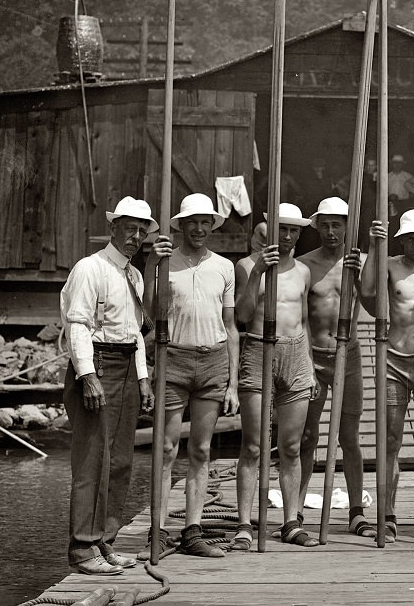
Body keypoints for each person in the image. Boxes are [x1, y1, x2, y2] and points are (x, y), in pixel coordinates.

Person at [60, 196, 156, 575]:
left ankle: (105, 541)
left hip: (127, 367)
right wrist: (87, 376)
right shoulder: (90, 269)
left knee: (120, 462)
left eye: (141, 231)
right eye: (129, 228)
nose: (135, 236)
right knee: (92, 462)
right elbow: (77, 325)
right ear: (113, 228)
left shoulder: (133, 275)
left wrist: (144, 378)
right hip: (97, 365)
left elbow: (135, 334)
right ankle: (83, 550)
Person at [140, 193, 239, 559]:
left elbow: (230, 326)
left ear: (212, 225)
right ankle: (158, 530)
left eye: (205, 222)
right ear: (180, 225)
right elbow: (149, 314)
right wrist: (152, 263)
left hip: (212, 360)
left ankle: (193, 530)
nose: (199, 228)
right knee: (165, 449)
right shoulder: (167, 262)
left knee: (200, 449)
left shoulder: (224, 267)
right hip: (173, 359)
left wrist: (232, 384)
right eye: (192, 222)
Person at [360, 208, 414, 544]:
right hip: (393, 361)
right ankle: (388, 514)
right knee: (390, 442)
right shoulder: (390, 265)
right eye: (409, 238)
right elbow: (368, 290)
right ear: (401, 239)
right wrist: (373, 242)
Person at [233, 203, 318, 549]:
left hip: (296, 353)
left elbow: (305, 320)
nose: (286, 236)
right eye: (282, 229)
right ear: (271, 229)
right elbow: (242, 315)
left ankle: (291, 522)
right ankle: (242, 525)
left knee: (292, 446)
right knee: (253, 446)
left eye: (293, 231)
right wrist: (257, 275)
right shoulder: (246, 266)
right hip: (258, 350)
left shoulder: (303, 271)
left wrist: (309, 365)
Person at [297, 197, 375, 540]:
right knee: (308, 435)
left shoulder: (359, 263)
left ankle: (356, 510)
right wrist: (304, 364)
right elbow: (298, 320)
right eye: (325, 224)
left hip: (349, 354)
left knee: (349, 437)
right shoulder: (304, 265)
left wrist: (360, 278)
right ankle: (295, 508)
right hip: (312, 355)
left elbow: (374, 305)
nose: (331, 231)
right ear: (317, 226)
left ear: (347, 227)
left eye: (337, 225)